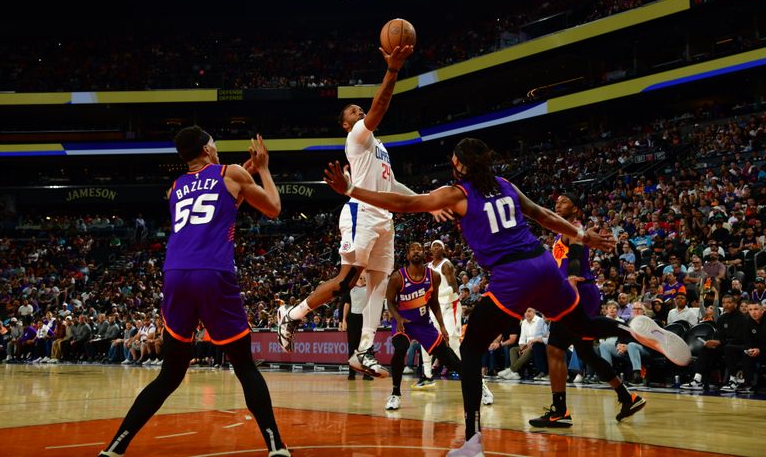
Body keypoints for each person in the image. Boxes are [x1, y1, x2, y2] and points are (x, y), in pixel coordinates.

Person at [323, 137, 691, 457]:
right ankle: (635, 331)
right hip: (543, 264)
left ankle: (471, 440)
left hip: (513, 276)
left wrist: (351, 190)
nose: (452, 164)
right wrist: (582, 235)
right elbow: (544, 215)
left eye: (454, 160)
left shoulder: (458, 193)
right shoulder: (505, 185)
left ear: (462, 165)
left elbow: (405, 204)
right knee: (583, 326)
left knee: (470, 349)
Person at [98, 128, 289, 457]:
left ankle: (115, 448)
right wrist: (265, 168)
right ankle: (276, 447)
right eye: (214, 143)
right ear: (205, 147)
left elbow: (217, 192)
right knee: (245, 367)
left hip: (175, 275)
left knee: (170, 375)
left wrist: (247, 171)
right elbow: (272, 207)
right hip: (212, 271)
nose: (217, 148)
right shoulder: (231, 173)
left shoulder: (174, 188)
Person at [277, 44, 433, 378]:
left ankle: (363, 351)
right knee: (346, 282)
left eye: (359, 109)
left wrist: (426, 201)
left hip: (384, 218)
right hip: (361, 212)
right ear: (346, 125)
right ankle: (293, 315)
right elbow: (379, 106)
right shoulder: (359, 138)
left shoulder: (379, 147)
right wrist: (392, 70)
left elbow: (392, 188)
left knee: (379, 285)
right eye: (352, 112)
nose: (358, 112)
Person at [527, 193, 642, 429]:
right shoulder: (563, 232)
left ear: (576, 209)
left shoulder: (575, 228)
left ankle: (560, 411)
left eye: (564, 201)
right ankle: (627, 397)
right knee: (586, 352)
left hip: (578, 290)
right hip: (579, 291)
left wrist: (571, 277)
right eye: (557, 201)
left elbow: (577, 254)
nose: (558, 203)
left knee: (555, 348)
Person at [384, 242, 492, 410]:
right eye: (412, 249)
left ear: (423, 253)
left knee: (450, 356)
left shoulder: (433, 275)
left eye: (419, 249)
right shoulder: (398, 277)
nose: (416, 251)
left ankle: (480, 386)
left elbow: (434, 303)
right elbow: (389, 301)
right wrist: (397, 318)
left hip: (425, 323)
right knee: (401, 348)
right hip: (403, 322)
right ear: (407, 256)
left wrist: (441, 326)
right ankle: (395, 394)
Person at [414, 239, 462, 389]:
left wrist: (436, 295)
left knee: (452, 343)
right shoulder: (427, 267)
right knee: (425, 340)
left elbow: (454, 288)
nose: (435, 248)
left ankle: (467, 373)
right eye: (433, 246)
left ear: (443, 249)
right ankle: (427, 375)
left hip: (449, 307)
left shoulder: (446, 265)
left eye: (438, 246)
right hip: (434, 309)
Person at [340, 273, 373, 381]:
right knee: (352, 346)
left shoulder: (369, 288)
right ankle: (352, 373)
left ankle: (366, 373)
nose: (362, 276)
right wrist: (343, 320)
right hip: (353, 319)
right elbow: (346, 304)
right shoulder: (350, 288)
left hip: (366, 318)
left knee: (366, 346)